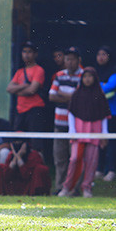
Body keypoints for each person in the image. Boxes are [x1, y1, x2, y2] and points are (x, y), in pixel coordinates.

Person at [59, 68, 110, 198]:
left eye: (90, 76)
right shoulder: (77, 94)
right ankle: (67, 188)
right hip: (79, 131)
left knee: (92, 161)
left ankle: (87, 188)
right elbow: (71, 112)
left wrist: (104, 132)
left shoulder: (100, 94)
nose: (87, 79)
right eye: (85, 76)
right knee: (75, 159)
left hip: (95, 130)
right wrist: (72, 130)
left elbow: (104, 115)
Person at [48, 46, 83, 191]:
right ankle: (60, 188)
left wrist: (62, 94)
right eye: (67, 58)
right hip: (59, 124)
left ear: (78, 60)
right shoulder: (59, 75)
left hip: (77, 125)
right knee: (60, 159)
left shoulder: (84, 75)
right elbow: (51, 96)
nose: (70, 62)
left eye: (73, 59)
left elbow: (81, 98)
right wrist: (72, 96)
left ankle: (74, 189)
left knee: (75, 159)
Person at [6, 41, 47, 143]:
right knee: (18, 141)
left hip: (35, 109)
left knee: (35, 142)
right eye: (24, 51)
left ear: (35, 54)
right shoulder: (19, 72)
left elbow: (32, 90)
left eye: (29, 52)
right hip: (20, 110)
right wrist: (24, 86)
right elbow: (9, 89)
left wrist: (17, 90)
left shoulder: (39, 70)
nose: (26, 54)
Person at [95, 45, 116, 182]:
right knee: (99, 141)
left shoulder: (115, 71)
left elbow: (110, 86)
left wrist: (97, 86)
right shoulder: (95, 71)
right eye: (99, 54)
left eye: (104, 54)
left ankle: (111, 170)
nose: (101, 57)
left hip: (112, 112)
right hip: (99, 113)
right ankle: (99, 169)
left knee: (111, 143)